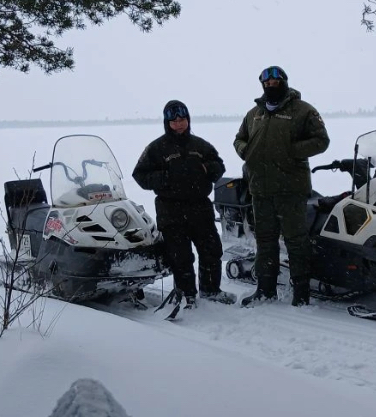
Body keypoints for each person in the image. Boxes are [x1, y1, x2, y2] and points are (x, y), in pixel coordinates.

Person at [234, 66, 330, 307]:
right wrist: (246, 151)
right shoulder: (254, 114)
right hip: (261, 189)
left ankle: (301, 294)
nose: (270, 86)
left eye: (275, 83)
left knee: (296, 241)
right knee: (265, 241)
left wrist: (292, 150)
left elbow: (321, 140)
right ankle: (265, 290)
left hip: (291, 188)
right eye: (266, 84)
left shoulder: (303, 110)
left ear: (284, 83)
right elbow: (239, 139)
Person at [133, 100, 235, 308]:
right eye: (174, 121)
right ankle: (186, 294)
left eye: (182, 120)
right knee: (181, 257)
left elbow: (219, 166)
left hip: (200, 206)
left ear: (188, 120)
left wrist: (208, 169)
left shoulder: (200, 145)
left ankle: (211, 290)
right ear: (167, 123)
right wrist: (164, 178)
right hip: (170, 210)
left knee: (211, 250)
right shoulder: (156, 148)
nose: (179, 124)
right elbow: (140, 175)